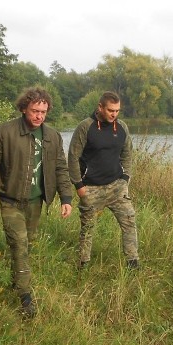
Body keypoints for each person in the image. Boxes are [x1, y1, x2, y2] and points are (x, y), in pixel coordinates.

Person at [0, 87, 73, 319]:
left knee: (26, 244)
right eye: (34, 111)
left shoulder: (53, 136)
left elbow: (60, 167)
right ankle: (25, 296)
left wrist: (66, 197)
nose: (39, 116)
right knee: (19, 243)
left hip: (36, 201)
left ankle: (15, 278)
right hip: (10, 198)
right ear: (23, 109)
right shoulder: (5, 132)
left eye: (43, 112)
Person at [68, 91, 140, 270]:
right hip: (91, 188)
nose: (114, 114)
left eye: (117, 111)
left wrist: (125, 178)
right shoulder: (85, 127)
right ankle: (83, 264)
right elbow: (72, 157)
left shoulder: (122, 126)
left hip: (117, 187)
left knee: (130, 222)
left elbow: (128, 153)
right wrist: (79, 186)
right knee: (88, 228)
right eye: (110, 110)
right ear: (100, 107)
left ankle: (133, 263)